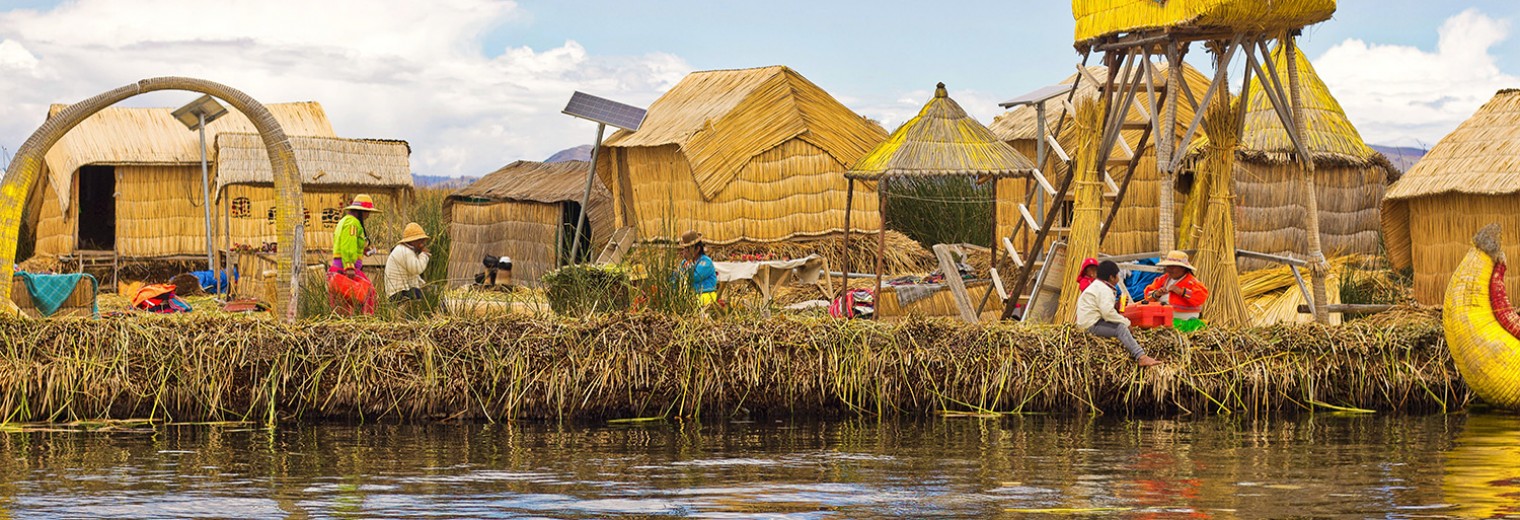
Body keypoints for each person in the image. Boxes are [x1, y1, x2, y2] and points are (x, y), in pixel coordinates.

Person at [1077, 260, 1162, 367]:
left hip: (1091, 321)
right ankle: (1141, 357)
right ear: (1112, 277)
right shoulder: (1104, 289)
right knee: (1120, 328)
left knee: (1120, 324)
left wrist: (1116, 305)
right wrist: (1126, 323)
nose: (1119, 278)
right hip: (1091, 325)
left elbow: (1103, 308)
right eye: (1117, 275)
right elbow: (1108, 313)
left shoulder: (1098, 286)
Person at [329, 194, 380, 315]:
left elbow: (348, 244)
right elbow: (348, 245)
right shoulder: (352, 223)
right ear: (360, 212)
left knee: (345, 305)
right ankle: (368, 320)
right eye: (367, 212)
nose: (368, 215)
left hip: (339, 269)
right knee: (369, 293)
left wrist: (364, 250)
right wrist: (349, 266)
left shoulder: (344, 221)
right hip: (345, 270)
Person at [1142, 250, 1209, 321]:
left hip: (1185, 320)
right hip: (1163, 318)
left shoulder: (1192, 282)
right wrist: (1157, 293)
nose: (1170, 270)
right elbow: (1147, 296)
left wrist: (1181, 292)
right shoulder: (1162, 280)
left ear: (1183, 268)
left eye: (1173, 267)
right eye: (1168, 266)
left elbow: (1201, 297)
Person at [385, 222, 431, 304]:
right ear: (413, 241)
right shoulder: (404, 251)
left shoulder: (406, 250)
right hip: (398, 295)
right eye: (420, 241)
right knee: (425, 296)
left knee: (426, 292)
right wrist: (424, 255)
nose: (422, 244)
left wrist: (424, 285)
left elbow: (413, 277)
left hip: (402, 292)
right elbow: (417, 269)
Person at [677, 229, 718, 305]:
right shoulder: (684, 262)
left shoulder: (706, 262)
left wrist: (688, 263)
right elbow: (679, 276)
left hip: (706, 295)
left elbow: (695, 277)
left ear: (697, 249)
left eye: (688, 249)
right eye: (684, 248)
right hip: (690, 296)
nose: (685, 251)